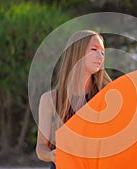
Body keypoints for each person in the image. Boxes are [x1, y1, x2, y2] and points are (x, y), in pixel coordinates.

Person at [36, 30, 112, 169]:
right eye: (94, 49)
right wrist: (52, 155)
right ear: (77, 53)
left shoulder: (108, 95)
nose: (100, 56)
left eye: (102, 52)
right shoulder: (50, 99)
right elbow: (41, 148)